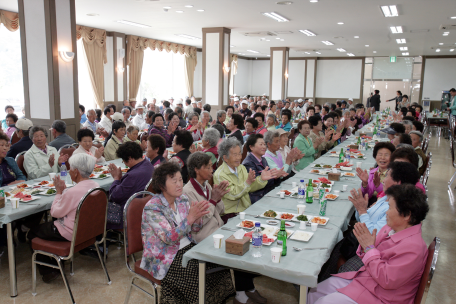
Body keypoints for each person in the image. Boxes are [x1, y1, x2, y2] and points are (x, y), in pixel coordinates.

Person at [310, 184, 429, 304]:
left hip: (382, 296)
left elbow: (387, 280)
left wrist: (369, 247)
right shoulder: (390, 228)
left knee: (324, 302)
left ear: (407, 215)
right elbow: (370, 251)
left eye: (390, 208)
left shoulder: (414, 248)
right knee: (315, 292)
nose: (386, 212)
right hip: (368, 280)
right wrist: (365, 244)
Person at [140, 162, 235, 303]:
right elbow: (168, 238)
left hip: (188, 246)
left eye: (180, 179)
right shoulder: (153, 208)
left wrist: (197, 219)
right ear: (161, 185)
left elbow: (194, 229)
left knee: (217, 264)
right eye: (174, 181)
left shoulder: (182, 199)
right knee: (194, 275)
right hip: (164, 256)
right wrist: (190, 218)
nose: (179, 184)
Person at [27, 154, 99, 283]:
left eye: (71, 169)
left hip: (71, 232)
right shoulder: (96, 185)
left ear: (76, 172)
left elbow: (55, 213)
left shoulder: (73, 192)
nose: (69, 171)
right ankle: (55, 262)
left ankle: (50, 271)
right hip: (89, 231)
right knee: (47, 226)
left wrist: (59, 192)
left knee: (32, 233)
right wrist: (64, 193)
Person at [214, 137, 276, 222]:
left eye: (240, 154)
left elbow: (250, 186)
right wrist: (247, 182)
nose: (239, 157)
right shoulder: (220, 174)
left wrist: (261, 179)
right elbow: (233, 195)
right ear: (225, 158)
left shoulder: (241, 168)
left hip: (246, 209)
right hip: (230, 214)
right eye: (235, 155)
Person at [107, 141, 153, 232]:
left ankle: (101, 240)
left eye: (123, 160)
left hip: (130, 213)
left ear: (130, 158)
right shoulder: (149, 165)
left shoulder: (133, 176)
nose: (124, 163)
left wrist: (116, 178)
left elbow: (114, 196)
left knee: (97, 208)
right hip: (146, 209)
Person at [242, 134, 282, 203]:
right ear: (251, 147)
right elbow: (255, 185)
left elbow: (270, 180)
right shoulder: (248, 163)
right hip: (258, 197)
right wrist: (272, 177)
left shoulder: (263, 159)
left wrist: (276, 176)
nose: (264, 147)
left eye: (264, 144)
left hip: (268, 193)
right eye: (261, 144)